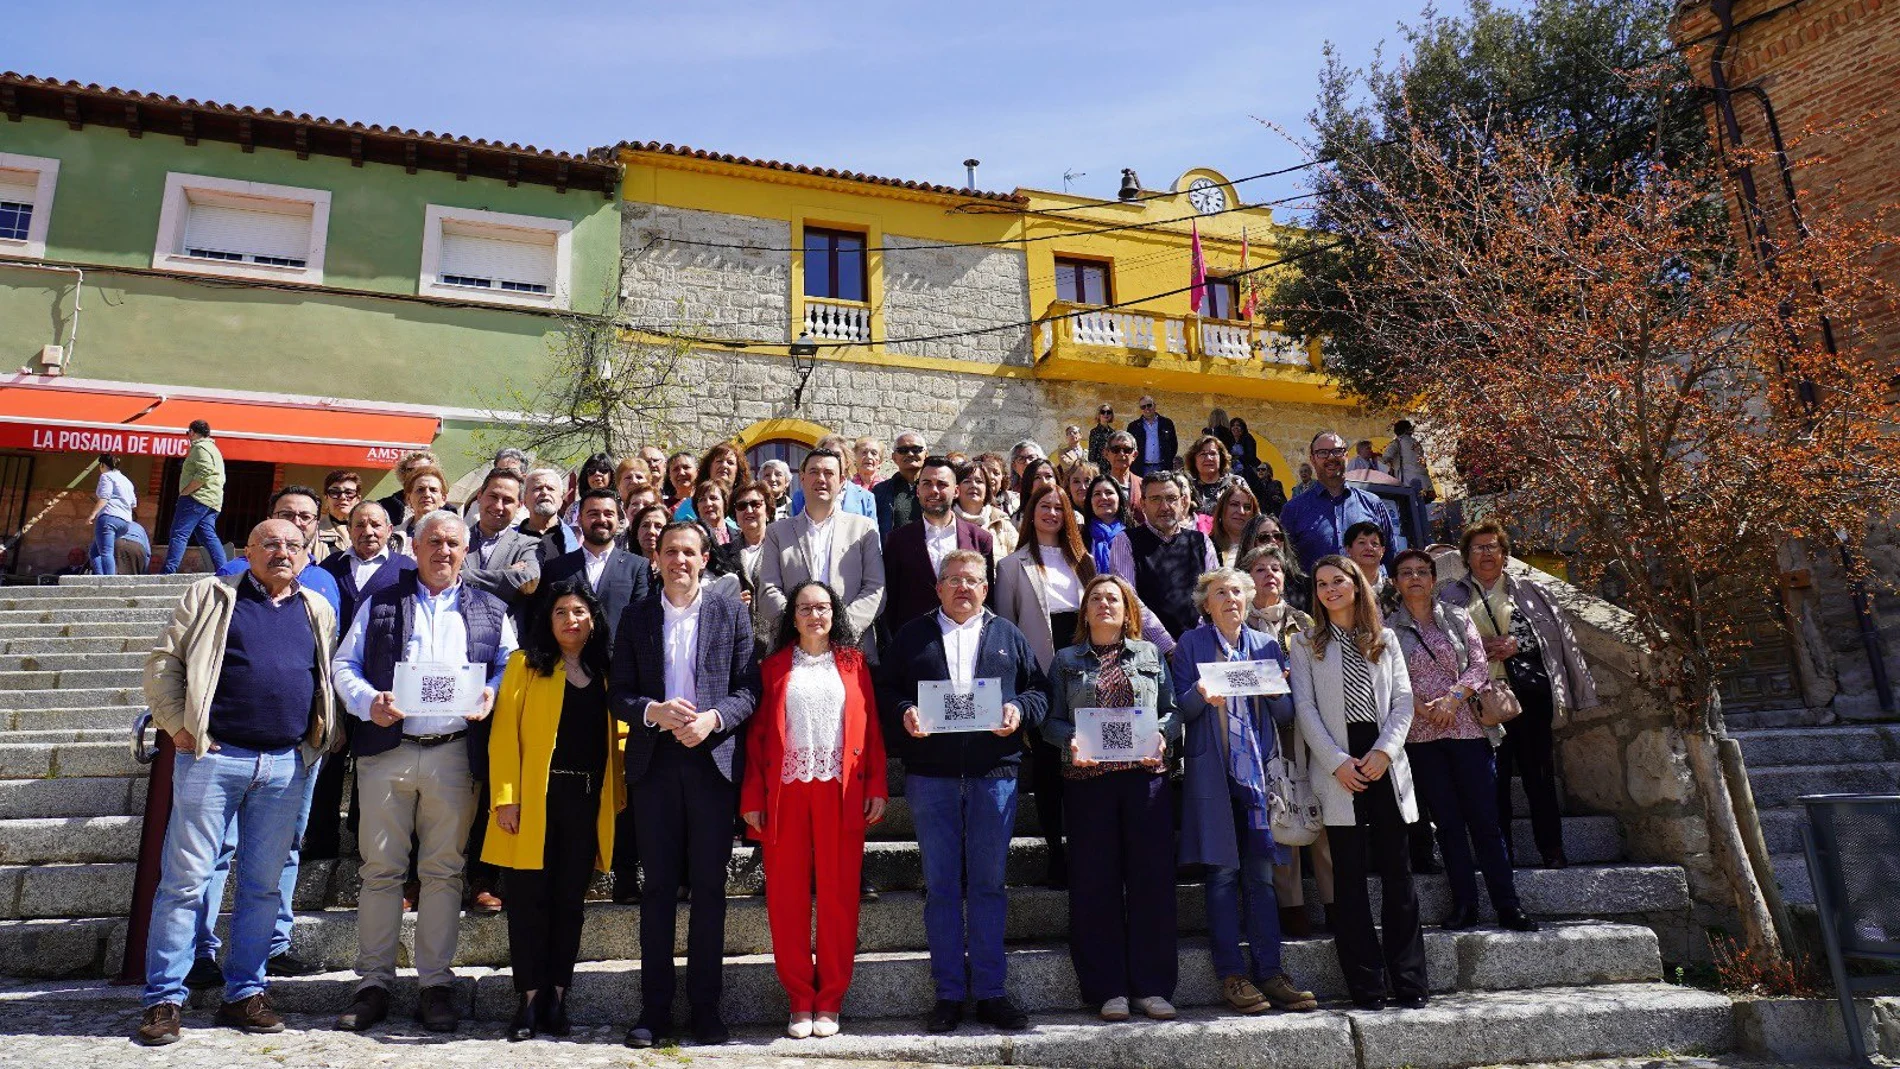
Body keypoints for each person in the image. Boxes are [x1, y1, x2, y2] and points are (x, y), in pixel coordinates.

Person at [134, 519, 340, 1047]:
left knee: (263, 885)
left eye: (294, 545)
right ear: (246, 551)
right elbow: (164, 662)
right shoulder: (211, 595)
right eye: (270, 543)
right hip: (214, 760)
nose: (282, 552)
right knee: (185, 880)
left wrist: (314, 742)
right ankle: (164, 999)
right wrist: (178, 726)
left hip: (285, 765)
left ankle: (245, 991)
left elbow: (320, 677)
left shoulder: (317, 608)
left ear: (307, 555)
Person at [332, 511, 516, 1034]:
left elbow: (511, 664)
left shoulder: (491, 608)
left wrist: (492, 694)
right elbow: (344, 665)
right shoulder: (383, 601)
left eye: (453, 543)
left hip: (455, 753)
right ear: (414, 547)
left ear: (465, 551)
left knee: (444, 872)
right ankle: (373, 984)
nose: (443, 551)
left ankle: (436, 983)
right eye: (433, 541)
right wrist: (369, 702)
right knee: (381, 871)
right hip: (387, 749)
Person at [878, 550, 1046, 1035]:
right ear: (938, 587)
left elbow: (1037, 691)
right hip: (931, 778)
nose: (963, 588)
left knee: (990, 884)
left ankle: (991, 992)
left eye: (972, 580)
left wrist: (1018, 710)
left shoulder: (1007, 635)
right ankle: (949, 992)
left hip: (995, 776)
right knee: (942, 886)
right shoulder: (912, 636)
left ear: (985, 588)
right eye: (953, 580)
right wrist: (906, 710)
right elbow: (885, 690)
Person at [610, 522, 759, 1048]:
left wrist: (712, 719)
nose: (678, 560)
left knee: (710, 890)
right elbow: (619, 693)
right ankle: (654, 1010)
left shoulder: (730, 612)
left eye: (688, 552)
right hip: (655, 765)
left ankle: (705, 1008)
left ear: (704, 559)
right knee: (656, 890)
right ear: (656, 558)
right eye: (669, 551)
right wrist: (654, 711)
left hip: (711, 766)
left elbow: (748, 691)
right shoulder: (635, 617)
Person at [742, 581, 888, 1040]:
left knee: (840, 897)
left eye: (822, 607)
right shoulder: (772, 667)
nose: (814, 615)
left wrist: (878, 786)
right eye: (805, 608)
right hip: (784, 793)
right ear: (793, 616)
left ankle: (830, 1000)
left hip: (840, 792)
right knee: (785, 900)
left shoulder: (854, 663)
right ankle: (799, 998)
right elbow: (757, 738)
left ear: (834, 613)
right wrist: (751, 799)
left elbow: (873, 730)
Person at [1171, 569, 1320, 1015]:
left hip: (1260, 780)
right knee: (1220, 877)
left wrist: (1277, 689)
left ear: (1249, 599)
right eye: (1220, 593)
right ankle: (1232, 975)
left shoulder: (1266, 646)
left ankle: (1271, 972)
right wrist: (1200, 694)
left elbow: (1287, 710)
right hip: (1213, 776)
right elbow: (1177, 712)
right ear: (1206, 603)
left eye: (1237, 591)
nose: (1230, 599)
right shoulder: (1190, 646)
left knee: (1260, 876)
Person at [484, 580, 626, 1041]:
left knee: (570, 905)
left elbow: (617, 738)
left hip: (585, 803)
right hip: (532, 803)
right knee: (527, 903)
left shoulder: (605, 672)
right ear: (548, 620)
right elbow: (503, 733)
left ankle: (557, 1000)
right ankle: (527, 1001)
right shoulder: (525, 665)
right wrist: (506, 797)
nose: (571, 619)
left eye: (579, 611)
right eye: (561, 611)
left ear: (593, 619)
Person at [1290, 555, 1427, 1011]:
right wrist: (1336, 762)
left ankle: (1410, 980)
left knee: (1398, 875)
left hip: (1382, 759)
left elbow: (1405, 699)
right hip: (1339, 766)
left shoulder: (1384, 639)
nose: (1330, 589)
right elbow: (1305, 709)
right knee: (1348, 880)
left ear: (1355, 585)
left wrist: (1385, 750)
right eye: (1322, 583)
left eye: (1338, 581)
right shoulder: (1305, 644)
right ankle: (1367, 986)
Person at [1042, 574, 1180, 1022]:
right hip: (1088, 786)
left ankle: (1152, 985)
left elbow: (1172, 712)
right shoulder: (1065, 661)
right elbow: (1051, 722)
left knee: (1151, 883)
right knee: (1094, 885)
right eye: (1096, 598)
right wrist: (1071, 744)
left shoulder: (1150, 655)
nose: (1105, 604)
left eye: (1114, 599)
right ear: (1084, 610)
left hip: (1145, 784)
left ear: (1128, 610)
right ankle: (1108, 988)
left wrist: (1162, 736)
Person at [1388, 549, 1538, 932]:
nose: (1415, 578)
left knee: (1486, 822)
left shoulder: (1457, 617)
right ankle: (1464, 905)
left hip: (1468, 730)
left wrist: (1453, 699)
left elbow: (1477, 665)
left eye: (1422, 571)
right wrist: (1422, 709)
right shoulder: (1389, 629)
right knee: (1449, 824)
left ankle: (1509, 904)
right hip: (1422, 737)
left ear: (1433, 579)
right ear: (1395, 582)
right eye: (1406, 573)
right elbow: (1390, 681)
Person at [1439, 521, 1599, 869]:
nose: (1486, 553)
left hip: (1526, 694)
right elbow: (1442, 644)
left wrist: (1517, 644)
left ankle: (1552, 850)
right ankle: (1500, 855)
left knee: (1538, 775)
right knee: (1491, 783)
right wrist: (1478, 647)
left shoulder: (1530, 590)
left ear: (1504, 553)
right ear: (1466, 556)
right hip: (1478, 700)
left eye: (1493, 546)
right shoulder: (1450, 596)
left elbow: (1554, 636)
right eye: (1478, 547)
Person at [539, 489, 654, 906]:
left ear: (620, 520)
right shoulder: (557, 567)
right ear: (579, 519)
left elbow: (643, 624)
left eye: (609, 513)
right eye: (593, 513)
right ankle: (574, 869)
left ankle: (625, 872)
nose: (601, 519)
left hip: (619, 685)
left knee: (619, 779)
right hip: (568, 686)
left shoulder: (638, 567)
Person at [993, 485, 1094, 890]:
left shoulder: (1084, 560)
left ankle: (1089, 850)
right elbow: (1005, 627)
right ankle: (1057, 854)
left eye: (1059, 507)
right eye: (1044, 506)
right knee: (1051, 769)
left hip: (1085, 669)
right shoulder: (1010, 565)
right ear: (1030, 512)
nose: (1051, 513)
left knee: (1088, 761)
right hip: (1041, 670)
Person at [1242, 546, 1329, 937]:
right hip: (1262, 730)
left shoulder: (1304, 621)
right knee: (1279, 812)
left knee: (1316, 813)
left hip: (1308, 731)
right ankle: (1291, 908)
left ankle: (1334, 903)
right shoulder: (1238, 620)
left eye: (1276, 568)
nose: (1269, 575)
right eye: (1260, 569)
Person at [758, 449, 886, 651]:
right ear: (801, 478)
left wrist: (842, 629)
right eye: (814, 472)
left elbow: (875, 589)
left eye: (829, 473)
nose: (821, 479)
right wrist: (801, 629)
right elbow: (768, 589)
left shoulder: (863, 529)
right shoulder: (777, 532)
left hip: (851, 646)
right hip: (791, 646)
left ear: (842, 480)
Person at [883, 456, 994, 642]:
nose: (934, 490)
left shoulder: (980, 539)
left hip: (968, 640)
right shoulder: (897, 540)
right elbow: (891, 601)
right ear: (918, 491)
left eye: (942, 484)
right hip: (914, 645)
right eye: (927, 484)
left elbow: (988, 597)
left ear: (956, 491)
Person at [1108, 472, 1214, 641]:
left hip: (1199, 645)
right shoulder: (1125, 542)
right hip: (1148, 651)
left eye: (1171, 498)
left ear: (1182, 501)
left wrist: (1194, 642)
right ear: (1143, 503)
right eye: (1156, 499)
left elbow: (1213, 595)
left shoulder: (1201, 542)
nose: (1165, 506)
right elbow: (1129, 598)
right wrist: (1167, 646)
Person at [1280, 432, 1395, 576]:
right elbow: (1285, 564)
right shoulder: (1293, 510)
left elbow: (1390, 557)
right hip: (1316, 597)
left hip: (1369, 596)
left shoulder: (1373, 504)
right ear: (1312, 460)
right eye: (1322, 453)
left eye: (1337, 451)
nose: (1331, 457)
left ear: (1346, 456)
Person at [162, 420, 228, 574]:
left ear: (192, 432)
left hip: (197, 498)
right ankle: (225, 571)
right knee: (208, 536)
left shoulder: (200, 447)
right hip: (212, 500)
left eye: (188, 433)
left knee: (179, 533)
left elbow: (205, 470)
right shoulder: (214, 449)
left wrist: (186, 491)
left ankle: (168, 572)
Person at [792, 435, 878, 522]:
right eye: (827, 453)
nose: (832, 459)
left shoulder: (866, 498)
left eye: (837, 455)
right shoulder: (800, 497)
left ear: (847, 462)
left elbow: (871, 533)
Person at [954, 457, 1016, 558]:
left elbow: (1016, 562)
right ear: (956, 488)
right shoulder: (947, 521)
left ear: (987, 489)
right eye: (967, 481)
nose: (973, 485)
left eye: (979, 481)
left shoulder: (1001, 523)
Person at [89, 453, 137, 575]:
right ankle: (100, 578)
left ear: (102, 465)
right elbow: (133, 504)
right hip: (125, 521)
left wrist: (93, 514)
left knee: (106, 552)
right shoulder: (127, 481)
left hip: (109, 517)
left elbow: (105, 497)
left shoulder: (106, 476)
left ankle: (108, 581)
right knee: (95, 551)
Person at [518, 467, 581, 561]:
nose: (544, 492)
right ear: (525, 500)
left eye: (551, 489)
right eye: (537, 488)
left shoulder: (574, 539)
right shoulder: (509, 539)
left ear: (560, 500)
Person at [873, 431, 927, 535]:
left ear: (926, 454)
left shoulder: (936, 489)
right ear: (894, 457)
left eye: (916, 449)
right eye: (903, 450)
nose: (910, 454)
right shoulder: (880, 491)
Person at [375, 449, 439, 531]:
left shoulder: (446, 509)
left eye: (424, 470)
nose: (417, 474)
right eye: (412, 470)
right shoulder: (384, 507)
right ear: (403, 473)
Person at [1083, 475, 1129, 577]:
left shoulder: (1133, 535)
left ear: (1119, 498)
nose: (1103, 497)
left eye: (1109, 493)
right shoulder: (1080, 536)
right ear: (1090, 501)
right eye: (1097, 494)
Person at [1210, 480, 1262, 568]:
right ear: (1222, 509)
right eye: (1234, 504)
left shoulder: (1262, 546)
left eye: (1247, 507)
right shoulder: (1205, 546)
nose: (1241, 512)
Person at [1126, 397, 1178, 478]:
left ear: (1154, 406)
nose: (1147, 409)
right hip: (1141, 468)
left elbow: (1174, 444)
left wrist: (1168, 459)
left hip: (1162, 467)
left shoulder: (1167, 423)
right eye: (1143, 407)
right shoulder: (1133, 426)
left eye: (1149, 405)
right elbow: (1129, 447)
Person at [315, 470, 359, 562]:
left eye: (349, 493)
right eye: (335, 492)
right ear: (326, 498)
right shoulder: (313, 532)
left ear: (358, 499)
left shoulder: (368, 532)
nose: (343, 497)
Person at [1382, 420, 1431, 497]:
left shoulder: (1397, 442)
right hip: (1425, 483)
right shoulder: (1416, 442)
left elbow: (1386, 458)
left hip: (1408, 483)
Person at [1187, 436, 1232, 517]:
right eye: (1203, 454)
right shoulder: (1187, 487)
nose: (1208, 458)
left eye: (1213, 453)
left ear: (1221, 458)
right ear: (1194, 459)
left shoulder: (1236, 483)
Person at [1100, 430, 1141, 520]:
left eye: (1127, 450)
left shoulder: (1143, 486)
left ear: (1135, 455)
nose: (1121, 454)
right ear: (1106, 453)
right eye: (1116, 450)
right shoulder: (1097, 486)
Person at [1011, 457, 1059, 528]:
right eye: (1037, 477)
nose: (1044, 482)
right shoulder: (1017, 520)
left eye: (1048, 476)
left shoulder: (1072, 515)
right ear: (1028, 485)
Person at [1087, 403, 1118, 469]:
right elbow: (1092, 454)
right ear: (1099, 414)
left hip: (1111, 468)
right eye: (1103, 412)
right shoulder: (1094, 432)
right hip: (1099, 468)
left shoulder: (1113, 433)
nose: (1106, 414)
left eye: (1108, 412)